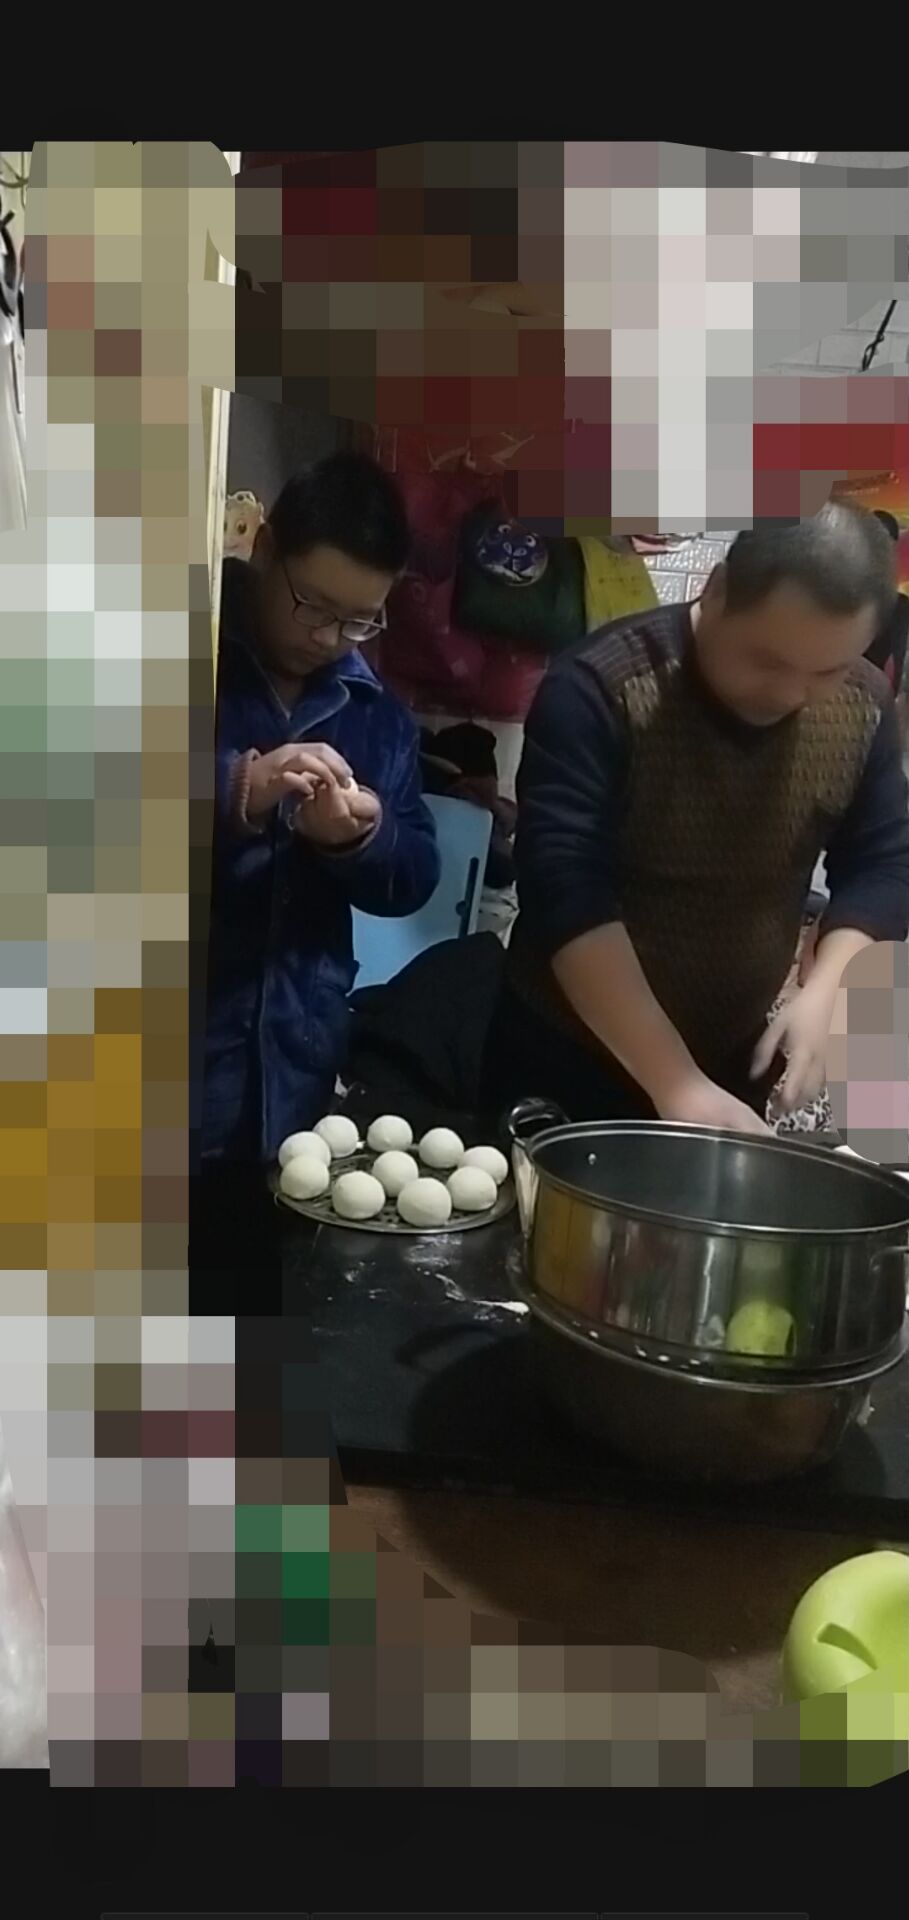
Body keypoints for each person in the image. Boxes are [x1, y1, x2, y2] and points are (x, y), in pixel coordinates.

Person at [482, 504, 909, 1136]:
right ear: (716, 590)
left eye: (828, 670)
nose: (792, 694)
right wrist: (675, 1082)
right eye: (766, 661)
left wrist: (831, 987)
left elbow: (883, 862)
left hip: (729, 1055)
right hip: (567, 1051)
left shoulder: (862, 705)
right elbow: (566, 895)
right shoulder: (601, 688)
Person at [202, 450, 440, 1164]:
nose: (328, 638)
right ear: (264, 548)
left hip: (293, 1065)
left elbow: (414, 875)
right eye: (312, 605)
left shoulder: (375, 715)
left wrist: (357, 838)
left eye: (359, 621)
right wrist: (238, 788)